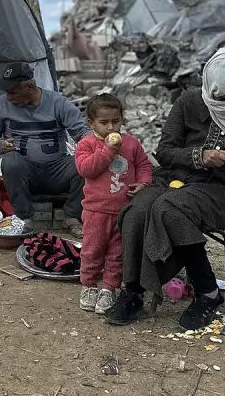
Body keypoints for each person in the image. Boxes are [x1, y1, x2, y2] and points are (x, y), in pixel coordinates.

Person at [107, 48, 225, 330]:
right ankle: (134, 290)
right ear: (209, 88)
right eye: (220, 98)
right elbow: (165, 151)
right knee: (137, 210)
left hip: (220, 191)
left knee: (169, 209)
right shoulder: (189, 101)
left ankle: (208, 292)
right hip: (173, 178)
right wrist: (200, 156)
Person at [0, 61, 89, 235]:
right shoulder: (2, 104)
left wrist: (102, 143)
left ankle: (72, 216)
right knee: (10, 161)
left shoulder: (58, 103)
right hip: (25, 172)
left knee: (84, 164)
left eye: (12, 92)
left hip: (57, 170)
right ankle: (24, 218)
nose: (8, 97)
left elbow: (82, 132)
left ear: (30, 87)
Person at [74, 93, 152, 315]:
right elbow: (86, 169)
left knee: (117, 253)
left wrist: (143, 183)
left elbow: (144, 165)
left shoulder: (132, 144)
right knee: (92, 249)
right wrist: (108, 150)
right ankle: (89, 285)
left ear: (122, 120)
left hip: (123, 211)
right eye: (104, 122)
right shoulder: (87, 144)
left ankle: (109, 288)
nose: (111, 128)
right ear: (92, 123)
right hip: (95, 210)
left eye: (115, 121)